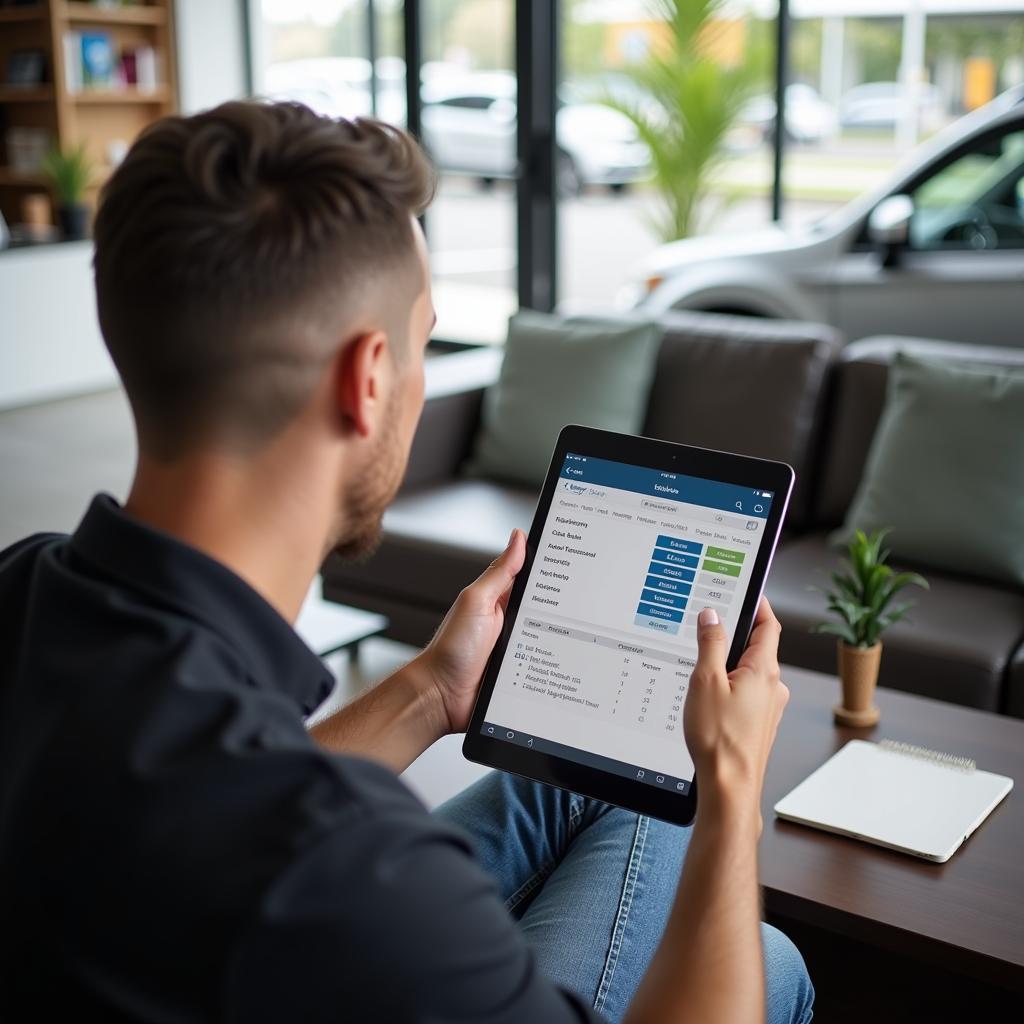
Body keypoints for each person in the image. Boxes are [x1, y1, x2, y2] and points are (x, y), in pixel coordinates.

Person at [0, 101, 813, 1023]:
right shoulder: (346, 870)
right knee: (769, 962)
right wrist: (735, 785)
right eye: (426, 342)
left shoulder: (25, 587)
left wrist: (430, 691)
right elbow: (270, 833)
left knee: (607, 794)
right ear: (369, 377)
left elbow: (199, 808)